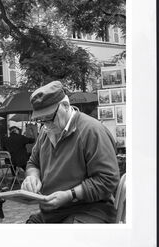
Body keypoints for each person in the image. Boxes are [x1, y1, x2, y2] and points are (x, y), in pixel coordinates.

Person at [21, 81, 120, 224]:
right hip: (55, 212)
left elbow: (107, 180)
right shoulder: (45, 131)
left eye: (49, 117)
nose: (46, 124)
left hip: (91, 210)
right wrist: (32, 177)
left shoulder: (92, 131)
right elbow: (33, 163)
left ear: (65, 106)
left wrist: (70, 195)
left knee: (64, 241)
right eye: (41, 120)